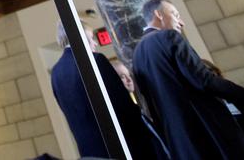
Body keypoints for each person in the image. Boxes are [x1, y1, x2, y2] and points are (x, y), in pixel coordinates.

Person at [132, 0, 244, 159]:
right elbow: (204, 80)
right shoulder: (168, 37)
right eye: (175, 14)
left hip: (183, 145)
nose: (181, 22)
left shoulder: (137, 55)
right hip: (209, 133)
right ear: (158, 14)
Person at [49, 20, 163, 159]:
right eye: (91, 38)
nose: (95, 43)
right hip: (121, 145)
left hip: (90, 152)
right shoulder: (95, 60)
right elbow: (122, 103)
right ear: (80, 35)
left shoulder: (56, 73)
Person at [200, 57, 244, 152]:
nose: (209, 75)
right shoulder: (203, 108)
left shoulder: (236, 99)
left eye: (210, 70)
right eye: (203, 73)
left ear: (217, 72)